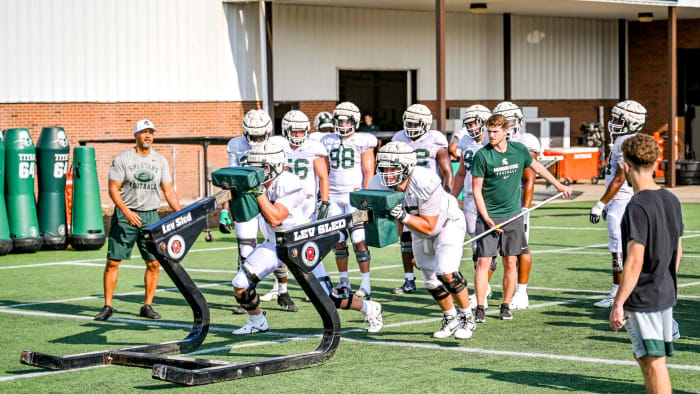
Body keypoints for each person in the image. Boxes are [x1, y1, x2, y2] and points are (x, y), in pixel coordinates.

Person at [231, 142, 382, 334]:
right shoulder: (259, 184)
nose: (256, 172)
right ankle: (257, 321)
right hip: (273, 244)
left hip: (299, 245)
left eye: (261, 167)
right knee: (240, 284)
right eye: (252, 167)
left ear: (275, 165)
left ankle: (370, 308)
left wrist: (257, 192)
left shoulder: (288, 181)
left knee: (327, 298)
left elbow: (276, 218)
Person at [471, 114, 571, 322]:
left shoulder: (519, 151)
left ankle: (505, 305)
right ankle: (480, 307)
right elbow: (476, 190)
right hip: (488, 216)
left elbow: (538, 167)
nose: (491, 135)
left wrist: (558, 185)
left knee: (510, 262)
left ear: (506, 131)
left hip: (512, 215)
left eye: (495, 131)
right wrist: (487, 218)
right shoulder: (482, 156)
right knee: (483, 262)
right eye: (489, 131)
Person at [371, 142, 475, 339]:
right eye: (383, 167)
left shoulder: (425, 181)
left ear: (407, 167)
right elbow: (396, 227)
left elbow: (430, 226)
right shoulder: (377, 183)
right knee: (429, 279)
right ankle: (450, 317)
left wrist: (402, 216)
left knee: (445, 271)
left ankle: (467, 318)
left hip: (446, 224)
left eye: (393, 167)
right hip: (416, 227)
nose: (387, 172)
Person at [609, 133, 683, 394]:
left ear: (626, 167)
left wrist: (618, 302)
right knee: (645, 356)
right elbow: (679, 251)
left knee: (654, 362)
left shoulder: (637, 205)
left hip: (644, 296)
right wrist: (664, 280)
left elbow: (635, 259)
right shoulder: (671, 199)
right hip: (663, 292)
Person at [94, 119, 182, 321]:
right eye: (144, 132)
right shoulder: (123, 159)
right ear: (136, 135)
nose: (148, 136)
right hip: (126, 216)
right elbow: (113, 189)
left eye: (151, 132)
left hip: (151, 216)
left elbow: (168, 190)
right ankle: (108, 306)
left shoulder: (160, 160)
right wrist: (126, 212)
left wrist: (180, 212)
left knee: (153, 263)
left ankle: (147, 306)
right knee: (113, 262)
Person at [222, 109, 296, 314]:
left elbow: (284, 174)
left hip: (268, 200)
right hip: (245, 200)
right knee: (245, 250)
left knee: (278, 246)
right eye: (252, 136)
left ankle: (283, 291)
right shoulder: (236, 145)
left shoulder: (279, 145)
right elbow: (230, 179)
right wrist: (225, 210)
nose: (256, 140)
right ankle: (248, 297)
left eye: (260, 136)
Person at [259, 110, 330, 305]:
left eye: (301, 131)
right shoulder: (277, 146)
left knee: (307, 245)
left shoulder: (314, 147)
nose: (298, 135)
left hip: (305, 204)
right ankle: (280, 287)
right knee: (278, 244)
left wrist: (324, 201)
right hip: (282, 200)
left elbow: (323, 176)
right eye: (294, 131)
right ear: (285, 130)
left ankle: (317, 285)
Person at [589, 100, 647, 308]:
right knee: (625, 247)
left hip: (622, 199)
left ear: (630, 122)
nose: (612, 123)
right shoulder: (629, 139)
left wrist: (600, 203)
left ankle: (618, 291)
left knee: (618, 249)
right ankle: (626, 290)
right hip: (624, 199)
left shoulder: (625, 141)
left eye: (617, 119)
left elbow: (619, 178)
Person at [391, 104, 452, 295]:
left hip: (428, 195)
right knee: (406, 237)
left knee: (434, 236)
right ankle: (409, 280)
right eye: (407, 123)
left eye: (415, 123)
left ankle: (441, 275)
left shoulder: (435, 139)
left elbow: (446, 171)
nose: (410, 127)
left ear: (425, 124)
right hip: (406, 193)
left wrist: (447, 194)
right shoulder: (399, 138)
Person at [321, 102, 377, 298]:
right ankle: (344, 281)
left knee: (359, 240)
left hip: (354, 197)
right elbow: (324, 171)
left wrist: (366, 197)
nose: (343, 124)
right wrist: (324, 198)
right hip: (335, 197)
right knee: (338, 241)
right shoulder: (327, 140)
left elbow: (369, 171)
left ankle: (365, 282)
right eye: (340, 120)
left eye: (347, 120)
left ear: (355, 121)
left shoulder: (363, 141)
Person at [494, 101, 542, 311]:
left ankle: (522, 291)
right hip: (496, 203)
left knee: (520, 248)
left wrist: (525, 208)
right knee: (491, 250)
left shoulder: (525, 141)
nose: (507, 125)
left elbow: (529, 179)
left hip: (517, 203)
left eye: (510, 120)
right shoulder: (494, 141)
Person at [450, 104, 494, 309]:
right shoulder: (466, 141)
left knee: (487, 245)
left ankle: (483, 288)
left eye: (476, 122)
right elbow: (461, 173)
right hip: (469, 196)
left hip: (490, 197)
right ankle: (483, 285)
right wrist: (451, 197)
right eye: (469, 123)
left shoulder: (492, 139)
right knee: (476, 243)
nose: (472, 126)